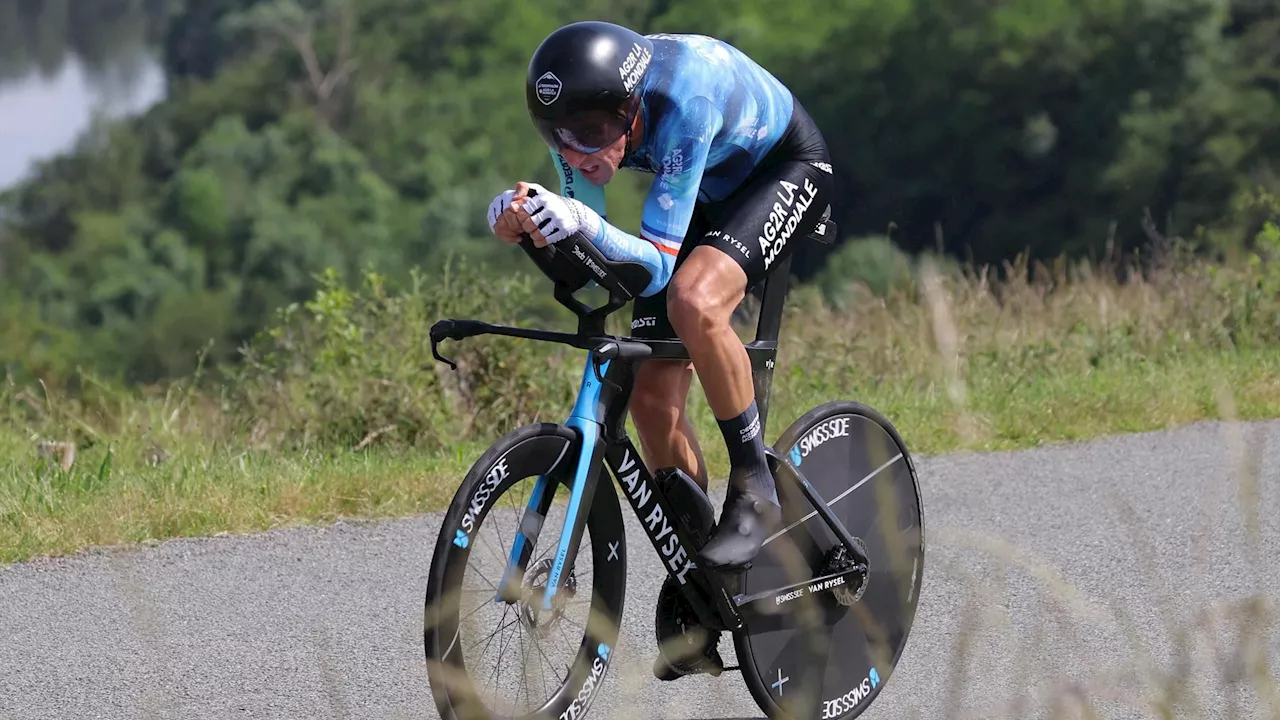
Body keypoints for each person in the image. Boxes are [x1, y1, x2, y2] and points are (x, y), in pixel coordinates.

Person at [486, 20, 835, 678]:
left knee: (695, 301)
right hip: (705, 184)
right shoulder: (582, 121)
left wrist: (583, 219)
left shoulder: (683, 102)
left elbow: (653, 267)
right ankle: (705, 578)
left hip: (783, 168)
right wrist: (526, 221)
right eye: (560, 135)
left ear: (632, 106)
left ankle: (755, 483)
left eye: (591, 134)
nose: (577, 150)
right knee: (649, 392)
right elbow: (587, 246)